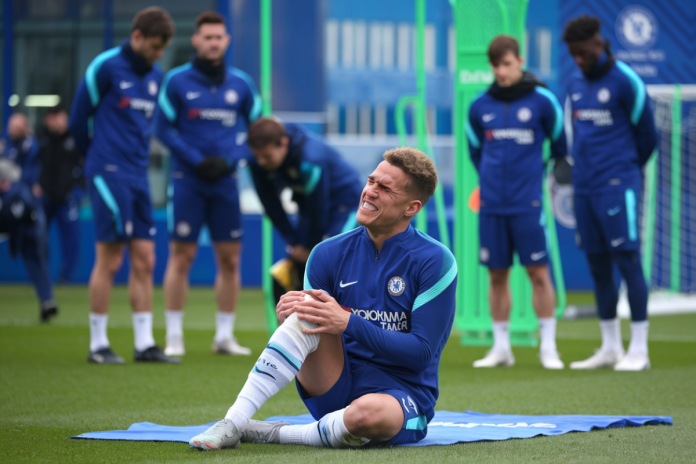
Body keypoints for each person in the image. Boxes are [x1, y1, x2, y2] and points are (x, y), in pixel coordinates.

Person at [188, 147, 457, 450]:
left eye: (385, 188)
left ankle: (277, 433)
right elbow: (314, 325)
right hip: (334, 382)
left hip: (401, 396)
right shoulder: (326, 253)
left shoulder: (435, 260)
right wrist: (291, 316)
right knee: (308, 311)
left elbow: (421, 353)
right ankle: (233, 422)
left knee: (366, 415)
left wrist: (349, 323)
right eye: (371, 181)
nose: (370, 191)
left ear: (411, 207)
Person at [69, 7, 178, 364]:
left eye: (163, 48)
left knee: (145, 259)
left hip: (138, 175)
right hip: (107, 172)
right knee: (111, 258)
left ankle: (144, 344)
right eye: (155, 46)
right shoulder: (105, 66)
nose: (158, 54)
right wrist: (96, 160)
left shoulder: (156, 75)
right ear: (137, 37)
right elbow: (77, 118)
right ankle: (98, 344)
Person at [154, 11, 261, 357]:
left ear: (226, 41)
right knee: (181, 256)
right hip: (188, 181)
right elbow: (161, 129)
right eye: (208, 37)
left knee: (230, 260)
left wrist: (231, 160)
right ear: (196, 40)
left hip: (226, 183)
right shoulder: (176, 81)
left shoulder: (241, 84)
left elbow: (260, 131)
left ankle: (224, 337)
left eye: (219, 37)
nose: (213, 43)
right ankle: (174, 336)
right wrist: (196, 159)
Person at [465, 35, 567, 369]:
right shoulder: (479, 106)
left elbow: (561, 146)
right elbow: (476, 151)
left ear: (520, 61)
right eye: (495, 65)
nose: (501, 71)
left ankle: (548, 348)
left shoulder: (543, 101)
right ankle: (501, 348)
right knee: (496, 276)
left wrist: (533, 178)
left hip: (528, 205)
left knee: (538, 273)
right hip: (492, 207)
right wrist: (492, 182)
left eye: (506, 64)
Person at [562, 15, 657, 371]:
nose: (579, 60)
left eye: (583, 53)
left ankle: (639, 350)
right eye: (573, 54)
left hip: (617, 187)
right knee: (598, 266)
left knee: (628, 261)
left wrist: (622, 170)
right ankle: (610, 347)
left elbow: (648, 136)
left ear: (599, 44)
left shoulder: (626, 81)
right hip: (584, 188)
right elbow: (573, 135)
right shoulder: (574, 83)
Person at [247, 117, 363, 301]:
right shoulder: (256, 162)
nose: (261, 162)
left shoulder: (310, 159)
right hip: (309, 208)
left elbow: (318, 208)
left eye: (266, 156)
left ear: (283, 144)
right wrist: (294, 242)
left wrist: (308, 246)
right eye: (257, 156)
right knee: (299, 263)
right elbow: (271, 206)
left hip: (344, 204)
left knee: (330, 259)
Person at [0, 158, 58, 322]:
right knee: (38, 264)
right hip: (23, 230)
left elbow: (21, 213)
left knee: (37, 263)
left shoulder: (16, 192)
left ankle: (47, 300)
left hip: (30, 230)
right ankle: (47, 300)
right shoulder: (16, 190)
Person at [37, 105, 84, 283]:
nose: (59, 121)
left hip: (68, 198)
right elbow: (34, 165)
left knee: (71, 241)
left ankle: (67, 278)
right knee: (39, 237)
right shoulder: (42, 138)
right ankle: (41, 276)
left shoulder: (75, 138)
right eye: (55, 117)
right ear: (48, 120)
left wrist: (78, 189)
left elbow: (85, 164)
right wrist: (36, 183)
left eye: (61, 117)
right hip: (45, 197)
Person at [0, 113, 41, 197]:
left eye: (17, 128)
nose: (12, 130)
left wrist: (11, 184)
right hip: (6, 184)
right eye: (11, 127)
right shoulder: (8, 140)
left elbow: (27, 171)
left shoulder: (30, 144)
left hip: (23, 186)